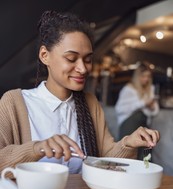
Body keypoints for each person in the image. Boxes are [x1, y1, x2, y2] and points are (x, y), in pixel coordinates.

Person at [0, 11, 159, 174]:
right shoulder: (14, 102)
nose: (83, 68)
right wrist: (36, 148)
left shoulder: (90, 103)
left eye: (88, 60)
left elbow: (105, 161)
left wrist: (128, 143)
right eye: (71, 58)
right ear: (44, 55)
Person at [115, 62, 159, 159]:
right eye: (143, 76)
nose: (146, 79)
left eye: (148, 76)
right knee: (129, 155)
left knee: (145, 156)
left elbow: (155, 111)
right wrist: (144, 104)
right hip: (129, 123)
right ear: (137, 76)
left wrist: (151, 107)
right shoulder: (128, 89)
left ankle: (146, 172)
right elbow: (119, 109)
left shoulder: (150, 89)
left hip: (144, 125)